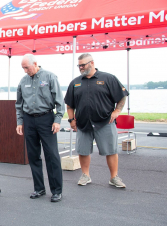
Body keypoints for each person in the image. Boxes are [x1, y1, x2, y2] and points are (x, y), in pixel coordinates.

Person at [64, 53, 128, 188]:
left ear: (92, 63)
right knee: (83, 151)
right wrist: (71, 120)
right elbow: (69, 104)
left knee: (111, 150)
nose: (80, 68)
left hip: (105, 122)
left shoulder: (108, 78)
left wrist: (117, 111)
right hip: (83, 124)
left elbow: (122, 96)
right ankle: (85, 175)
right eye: (79, 65)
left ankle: (114, 177)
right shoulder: (75, 82)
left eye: (83, 65)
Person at [15, 54, 65, 203]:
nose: (25, 71)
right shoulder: (23, 81)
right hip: (29, 120)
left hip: (46, 119)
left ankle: (56, 190)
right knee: (33, 155)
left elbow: (59, 101)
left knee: (52, 155)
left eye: (27, 67)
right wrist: (19, 122)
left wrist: (57, 120)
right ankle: (39, 188)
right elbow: (19, 104)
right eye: (23, 68)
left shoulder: (50, 77)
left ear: (35, 63)